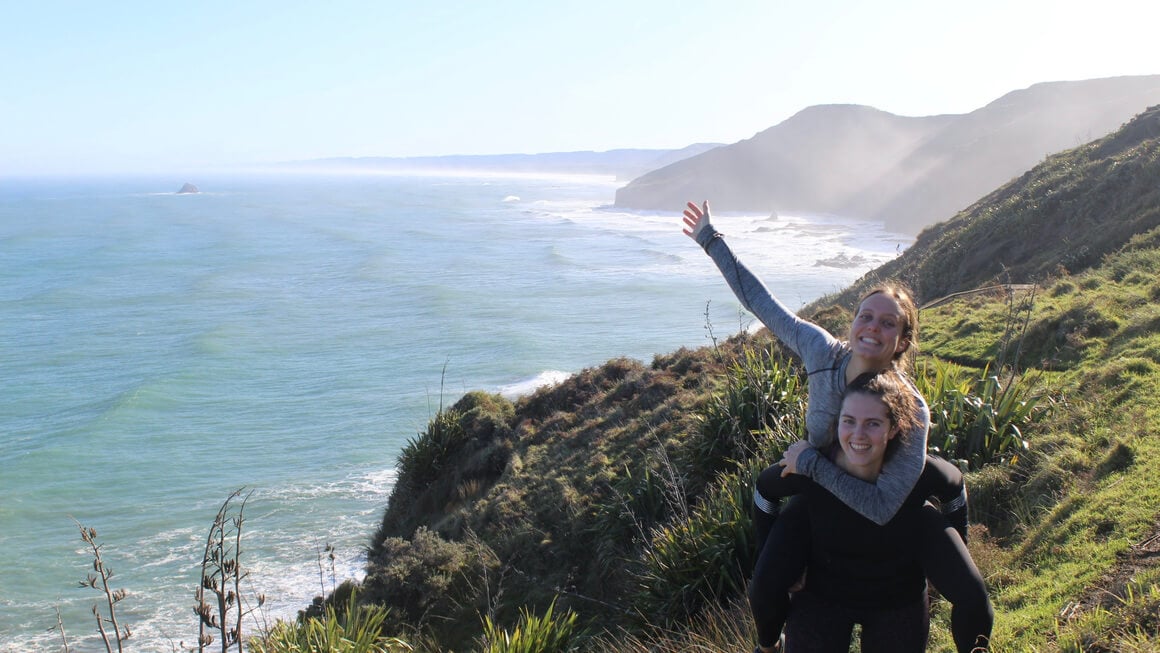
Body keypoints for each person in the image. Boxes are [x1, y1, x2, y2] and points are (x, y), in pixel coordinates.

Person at [681, 201, 992, 652]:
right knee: (767, 495)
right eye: (865, 315)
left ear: (902, 340)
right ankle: (771, 636)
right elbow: (762, 304)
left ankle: (947, 572)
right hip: (821, 485)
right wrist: (711, 240)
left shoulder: (912, 408)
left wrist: (810, 462)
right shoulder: (821, 351)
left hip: (877, 489)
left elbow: (886, 505)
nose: (872, 327)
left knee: (946, 478)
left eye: (888, 323)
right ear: (851, 322)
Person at [770, 370, 971, 652]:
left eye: (873, 423)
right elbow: (764, 490)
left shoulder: (918, 475)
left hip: (898, 599)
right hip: (822, 596)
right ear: (836, 421)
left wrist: (955, 554)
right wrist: (780, 566)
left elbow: (954, 488)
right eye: (849, 421)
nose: (859, 435)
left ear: (894, 429)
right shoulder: (807, 466)